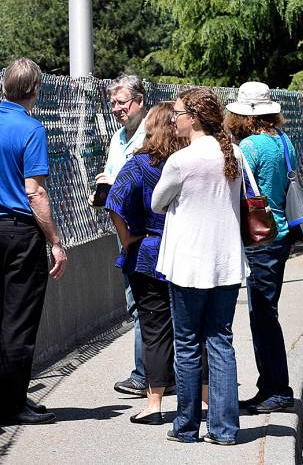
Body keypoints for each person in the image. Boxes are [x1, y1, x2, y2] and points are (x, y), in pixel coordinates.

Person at [152, 87, 249, 445]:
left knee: (188, 344)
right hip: (226, 262)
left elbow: (157, 203)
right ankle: (224, 429)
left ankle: (187, 426)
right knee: (221, 342)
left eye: (178, 112)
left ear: (192, 117)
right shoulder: (234, 153)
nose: (174, 119)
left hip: (189, 264)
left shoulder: (182, 161)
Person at [105, 102, 184, 425]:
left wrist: (127, 240)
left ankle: (154, 404)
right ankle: (205, 401)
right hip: (184, 252)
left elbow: (114, 202)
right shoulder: (189, 162)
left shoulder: (139, 164)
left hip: (147, 253)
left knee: (154, 330)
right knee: (193, 328)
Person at [0, 58, 67, 426]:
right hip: (18, 233)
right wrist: (54, 241)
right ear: (36, 90)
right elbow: (35, 192)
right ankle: (11, 404)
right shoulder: (31, 129)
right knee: (18, 321)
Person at [224, 82, 296, 415]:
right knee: (267, 312)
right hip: (281, 233)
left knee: (263, 315)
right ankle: (270, 386)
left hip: (261, 239)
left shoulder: (250, 146)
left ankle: (276, 389)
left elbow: (234, 185)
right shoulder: (283, 141)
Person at [98, 75, 151, 398]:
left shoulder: (152, 134)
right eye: (113, 104)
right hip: (122, 225)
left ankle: (144, 373)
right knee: (136, 300)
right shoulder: (118, 136)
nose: (117, 109)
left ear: (139, 101)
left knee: (143, 301)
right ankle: (156, 370)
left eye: (122, 103)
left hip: (143, 227)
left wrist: (116, 182)